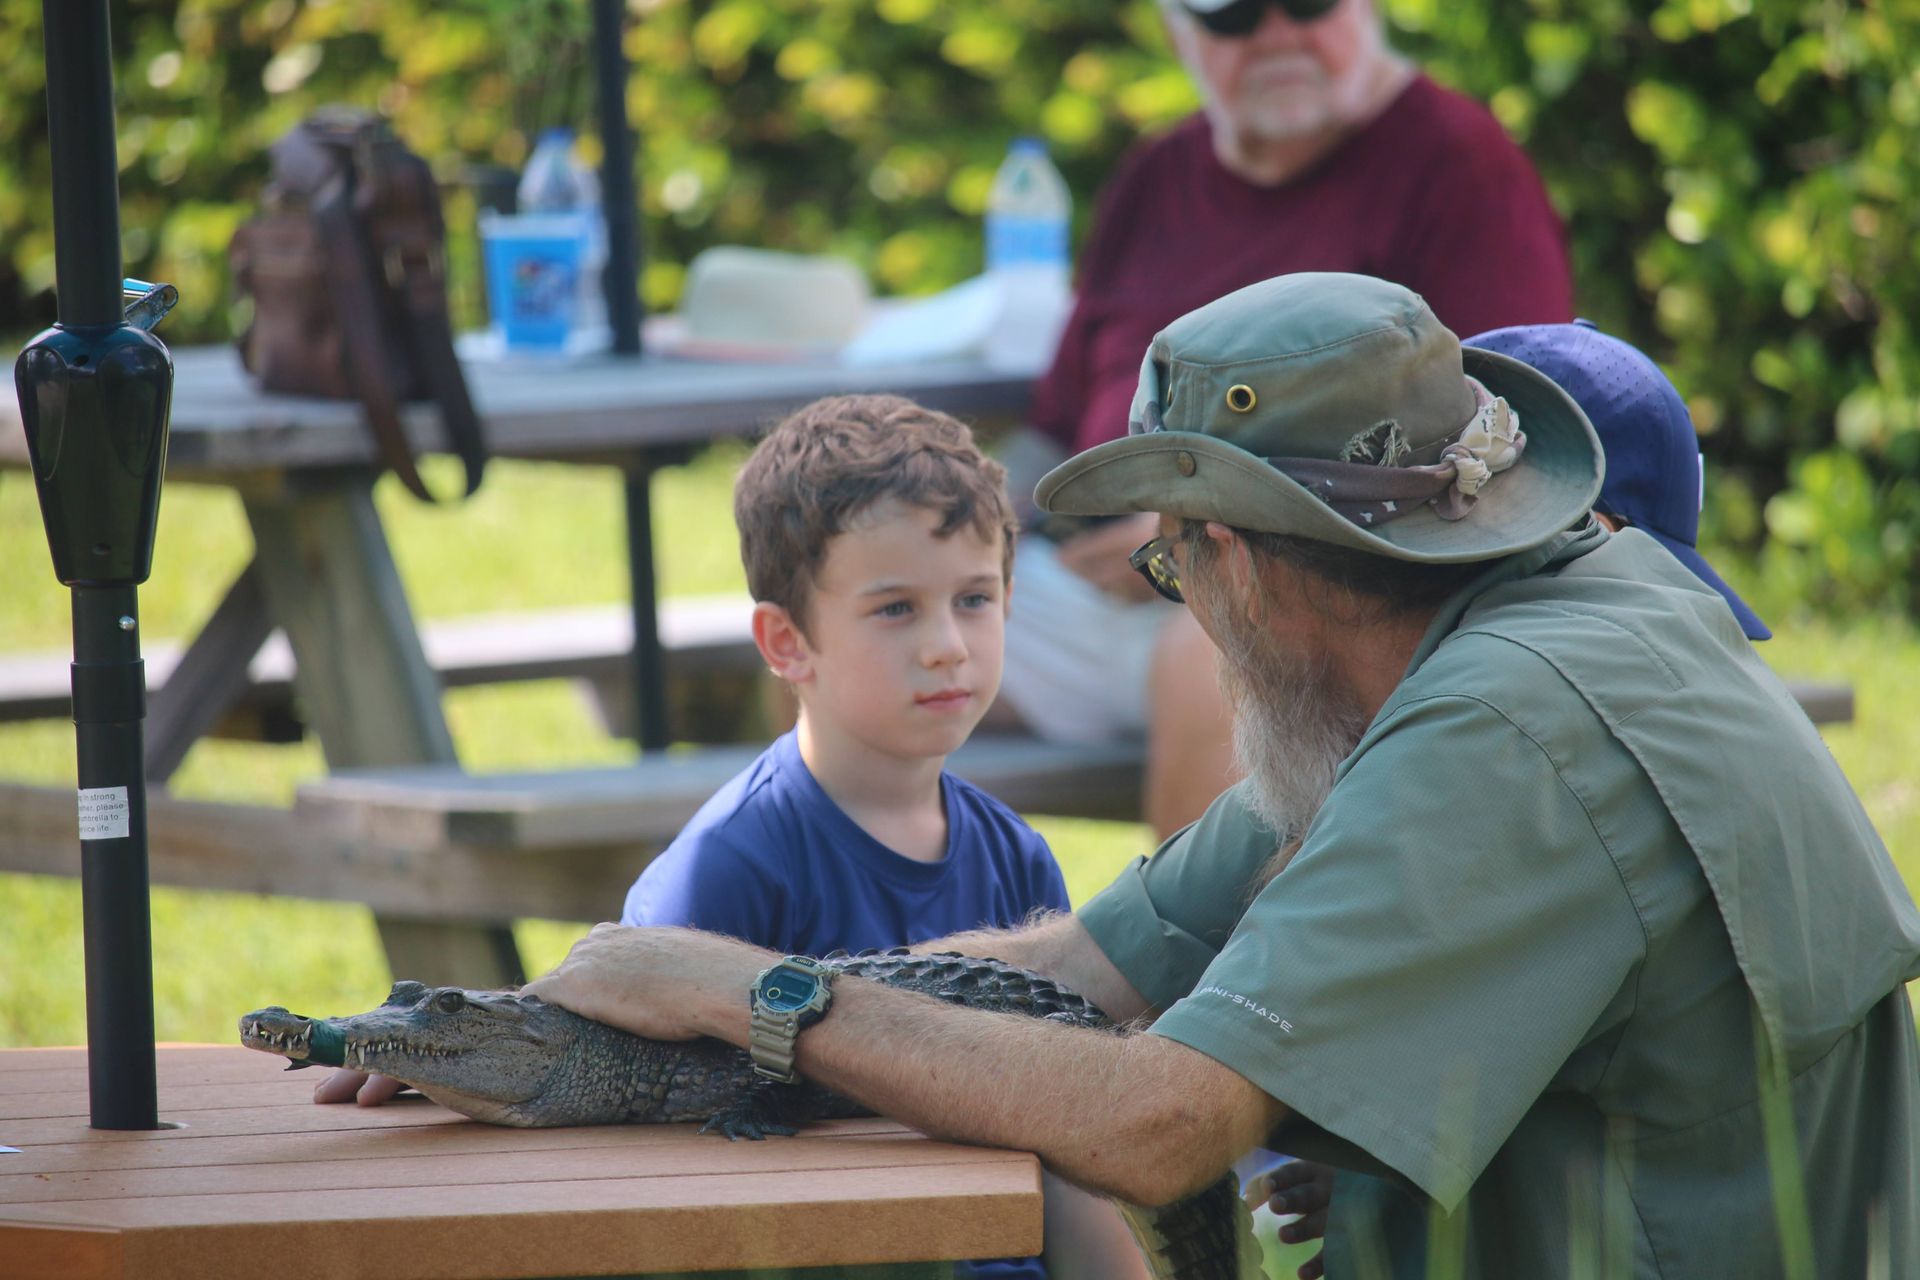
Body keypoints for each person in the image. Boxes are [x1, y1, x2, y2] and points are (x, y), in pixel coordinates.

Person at [524, 274, 1920, 1278]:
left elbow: (1159, 1123)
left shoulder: (1500, 733)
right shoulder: (1522, 628)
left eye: (1169, 560)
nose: (1174, 594)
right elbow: (1079, 967)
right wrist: (575, 1035)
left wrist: (732, 988)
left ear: (1239, 562)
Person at [318, 394, 1144, 1280]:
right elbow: (614, 1098)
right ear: (787, 642)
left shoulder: (1017, 855)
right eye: (896, 609)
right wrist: (445, 1061)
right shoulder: (732, 863)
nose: (949, 645)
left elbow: (1064, 1137)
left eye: (975, 599)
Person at [989, 0, 1576, 838]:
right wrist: (971, 537)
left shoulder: (1456, 163)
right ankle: (848, 959)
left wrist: (1201, 528)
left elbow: (1504, 444)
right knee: (851, 626)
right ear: (1178, 34)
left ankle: (1220, 966)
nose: (1276, 35)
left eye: (1307, 4)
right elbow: (1052, 421)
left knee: (1222, 657)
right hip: (1097, 579)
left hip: (1323, 579)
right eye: (1230, 16)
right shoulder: (1159, 173)